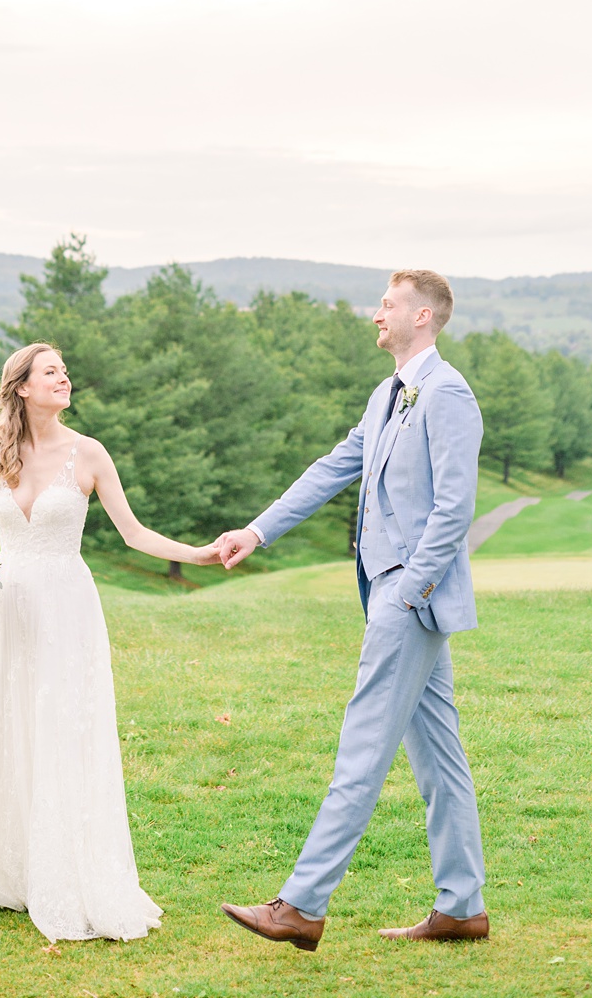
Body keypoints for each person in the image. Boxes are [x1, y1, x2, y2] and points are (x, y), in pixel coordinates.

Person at [0, 341, 208, 941]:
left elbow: (133, 535)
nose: (65, 378)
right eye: (51, 371)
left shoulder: (88, 453)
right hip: (5, 610)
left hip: (65, 609)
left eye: (65, 371)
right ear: (22, 386)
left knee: (59, 729)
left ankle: (61, 875)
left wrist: (198, 553)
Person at [212, 268, 488, 952]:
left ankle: (301, 906)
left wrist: (410, 589)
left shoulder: (447, 395)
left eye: (388, 305)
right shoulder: (386, 397)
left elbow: (455, 509)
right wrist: (257, 530)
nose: (377, 314)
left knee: (363, 749)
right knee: (440, 758)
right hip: (391, 593)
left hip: (406, 598)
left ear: (423, 317)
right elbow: (334, 468)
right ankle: (462, 906)